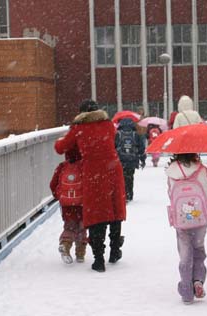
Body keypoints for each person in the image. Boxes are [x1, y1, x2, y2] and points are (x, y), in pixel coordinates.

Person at [55, 99, 126, 272]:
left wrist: (60, 140)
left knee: (96, 213)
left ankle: (99, 259)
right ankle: (115, 249)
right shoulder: (109, 125)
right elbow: (114, 141)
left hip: (93, 173)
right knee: (115, 209)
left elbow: (61, 148)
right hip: (113, 170)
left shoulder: (78, 128)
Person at [165, 153, 207, 304]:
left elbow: (170, 194)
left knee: (185, 254)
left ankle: (187, 291)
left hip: (181, 220)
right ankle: (198, 281)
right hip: (201, 219)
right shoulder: (202, 169)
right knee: (198, 249)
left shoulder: (171, 172)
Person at [49, 146, 88, 264]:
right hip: (82, 203)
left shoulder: (62, 167)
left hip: (67, 203)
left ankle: (65, 245)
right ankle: (80, 254)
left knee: (69, 225)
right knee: (82, 226)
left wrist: (59, 196)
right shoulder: (84, 166)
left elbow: (53, 184)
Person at [115, 118, 146, 201]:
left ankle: (122, 194)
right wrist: (143, 160)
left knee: (121, 178)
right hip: (132, 160)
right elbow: (141, 148)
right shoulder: (135, 134)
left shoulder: (117, 134)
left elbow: (113, 148)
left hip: (120, 161)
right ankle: (129, 194)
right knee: (130, 177)